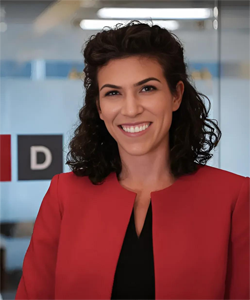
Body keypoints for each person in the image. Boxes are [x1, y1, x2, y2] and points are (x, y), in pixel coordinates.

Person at [15, 21, 250, 300]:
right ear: (100, 108)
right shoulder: (63, 194)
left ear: (175, 95)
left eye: (147, 89)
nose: (131, 109)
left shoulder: (233, 197)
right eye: (113, 93)